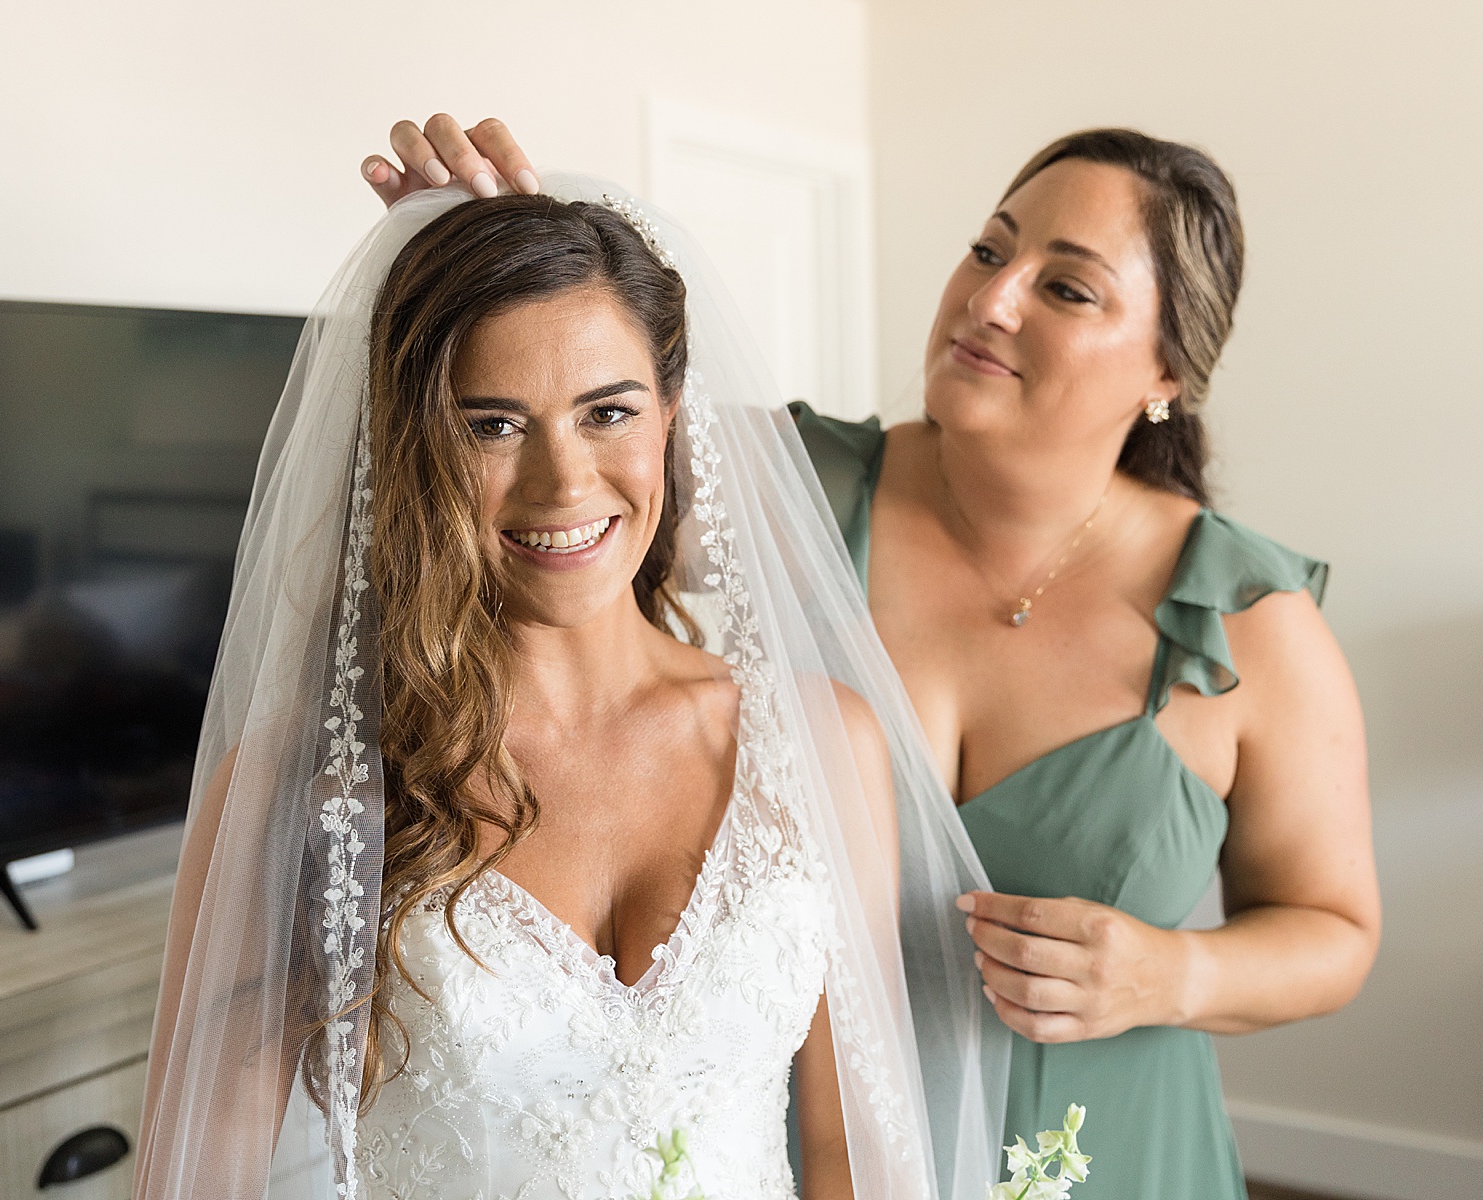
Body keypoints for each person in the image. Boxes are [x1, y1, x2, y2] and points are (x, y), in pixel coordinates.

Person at [359, 118, 1381, 1200]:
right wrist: (469, 262)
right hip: (808, 1156)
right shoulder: (795, 488)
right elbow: (571, 438)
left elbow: (1339, 932)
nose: (990, 299)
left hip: (1104, 1150)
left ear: (1170, 365)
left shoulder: (1242, 624)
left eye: (1067, 288)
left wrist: (1176, 971)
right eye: (990, 250)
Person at [135, 179, 1006, 1200]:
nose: (563, 482)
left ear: (672, 415)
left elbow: (850, 1152)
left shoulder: (820, 742)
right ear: (412, 449)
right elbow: (193, 1183)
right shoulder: (302, 784)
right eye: (493, 425)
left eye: (608, 412)